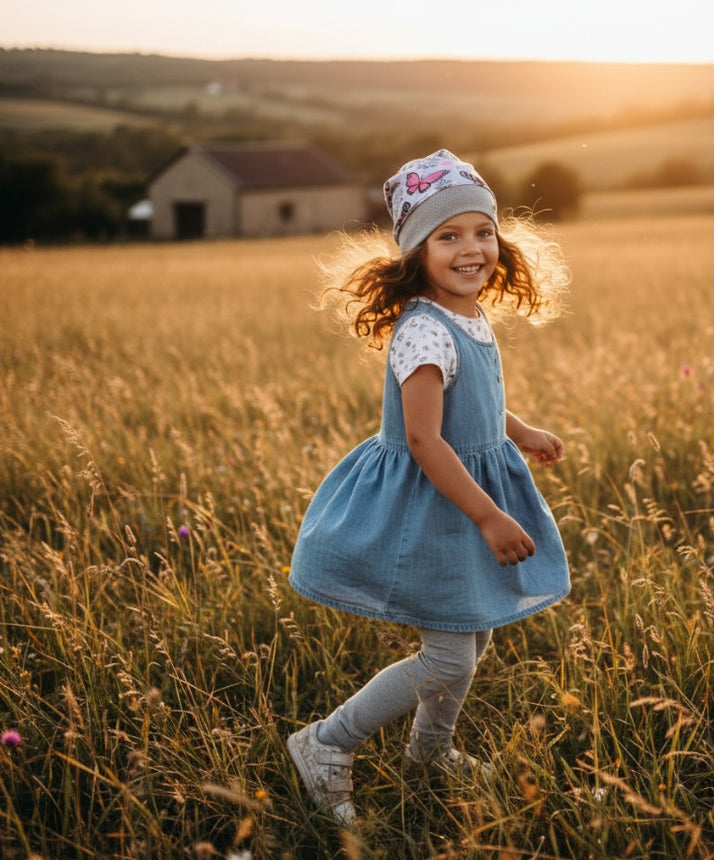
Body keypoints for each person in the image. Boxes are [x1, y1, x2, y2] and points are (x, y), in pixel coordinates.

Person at [287, 149, 571, 825]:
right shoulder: (422, 330)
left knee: (470, 639)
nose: (471, 248)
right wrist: (489, 516)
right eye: (449, 236)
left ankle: (430, 751)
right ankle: (326, 744)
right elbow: (424, 440)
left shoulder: (467, 316)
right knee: (447, 652)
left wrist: (519, 430)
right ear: (417, 252)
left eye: (482, 231)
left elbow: (466, 405)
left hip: (461, 496)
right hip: (434, 506)